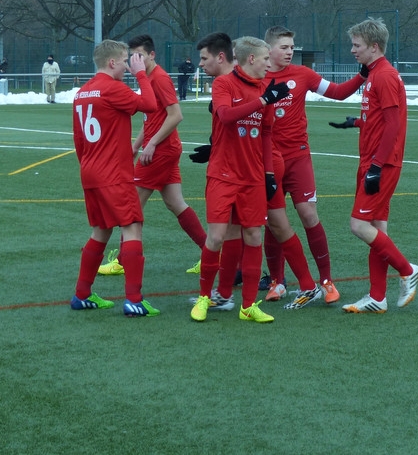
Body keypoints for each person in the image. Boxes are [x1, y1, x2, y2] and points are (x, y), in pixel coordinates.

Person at [260, 26, 367, 305]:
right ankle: (276, 281)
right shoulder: (257, 77)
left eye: (291, 47)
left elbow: (338, 92)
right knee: (274, 220)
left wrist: (362, 75)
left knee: (308, 214)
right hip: (268, 159)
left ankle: (327, 281)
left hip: (298, 156)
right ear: (268, 48)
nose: (289, 52)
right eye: (284, 47)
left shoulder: (302, 74)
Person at [188, 34, 291, 324]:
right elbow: (225, 116)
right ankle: (206, 298)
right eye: (266, 59)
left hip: (253, 178)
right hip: (222, 176)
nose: (270, 64)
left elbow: (267, 134)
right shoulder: (224, 84)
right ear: (251, 59)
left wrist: (269, 173)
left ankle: (248, 306)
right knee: (217, 236)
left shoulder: (265, 90)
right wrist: (262, 100)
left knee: (254, 236)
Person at [94, 35, 208, 280]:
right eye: (132, 56)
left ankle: (124, 260)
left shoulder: (160, 78)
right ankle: (211, 254)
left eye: (140, 56)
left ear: (152, 55)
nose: (135, 61)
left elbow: (175, 115)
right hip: (162, 149)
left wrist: (152, 145)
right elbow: (152, 118)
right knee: (176, 203)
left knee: (130, 206)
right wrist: (137, 145)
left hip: (161, 151)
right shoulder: (145, 78)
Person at [330, 18, 418, 314]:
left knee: (358, 225)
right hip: (372, 160)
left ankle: (407, 270)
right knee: (376, 229)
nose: (353, 50)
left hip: (380, 163)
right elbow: (380, 119)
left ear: (374, 46)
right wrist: (356, 122)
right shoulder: (374, 75)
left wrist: (377, 166)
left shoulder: (384, 76)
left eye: (357, 45)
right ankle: (377, 297)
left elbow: (394, 125)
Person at [69, 39, 159, 317]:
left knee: (101, 230)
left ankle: (82, 294)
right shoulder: (112, 88)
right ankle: (134, 299)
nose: (127, 65)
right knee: (131, 227)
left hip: (90, 171)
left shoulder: (82, 92)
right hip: (113, 173)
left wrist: (90, 165)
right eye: (124, 61)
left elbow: (79, 140)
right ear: (111, 63)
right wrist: (141, 74)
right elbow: (150, 104)